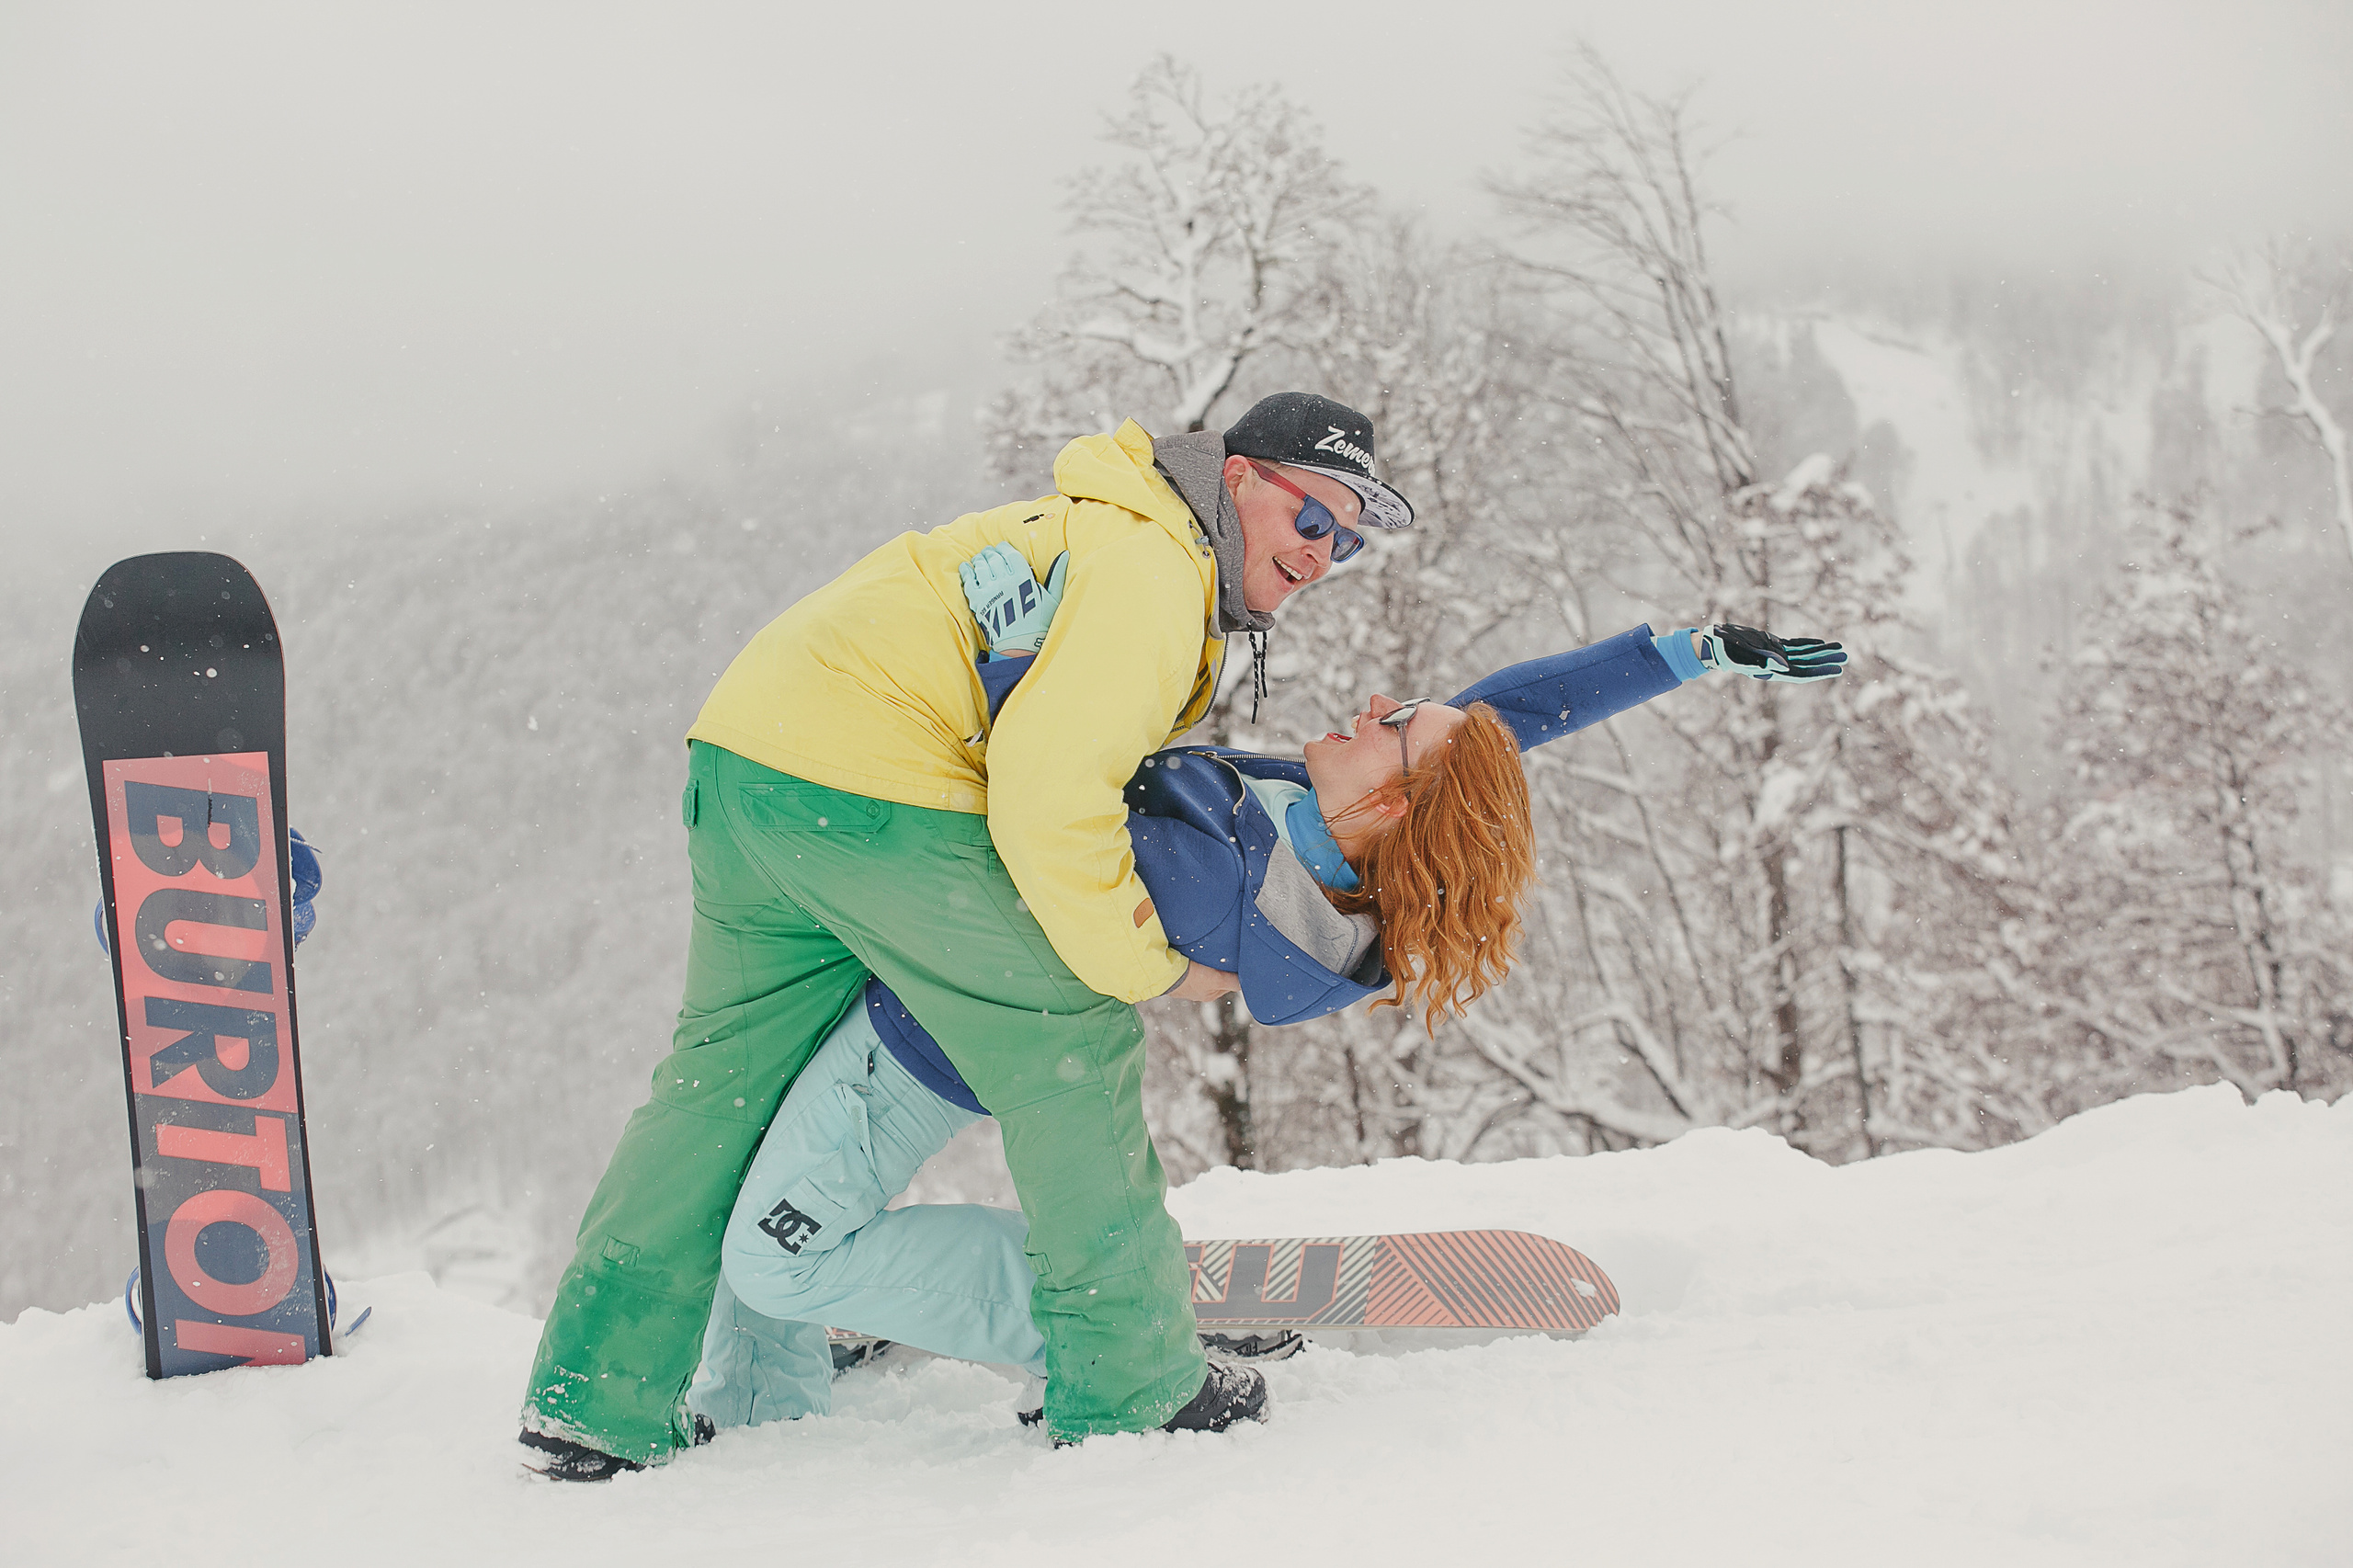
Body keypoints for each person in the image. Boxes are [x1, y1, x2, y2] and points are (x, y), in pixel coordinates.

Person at [681, 562, 1846, 1436]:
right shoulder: (1321, 828)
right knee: (761, 1203)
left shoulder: (1220, 888)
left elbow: (1036, 800)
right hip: (890, 970)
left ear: (1388, 808)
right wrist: (1680, 651)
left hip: (916, 1045)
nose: (1384, 699)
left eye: (1392, 727)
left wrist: (1001, 657)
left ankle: (1091, 1326)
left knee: (783, 1250)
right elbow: (1498, 717)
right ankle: (763, 1418)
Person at [518, 393, 1421, 1475]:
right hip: (877, 785)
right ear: (1235, 482)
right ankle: (1132, 1373)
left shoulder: (1107, 528)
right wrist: (1145, 962)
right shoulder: (1153, 565)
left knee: (724, 1082)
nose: (1325, 553)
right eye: (1313, 519)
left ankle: (605, 1398)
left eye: (1349, 541)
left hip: (748, 763)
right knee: (1067, 1043)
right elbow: (1047, 796)